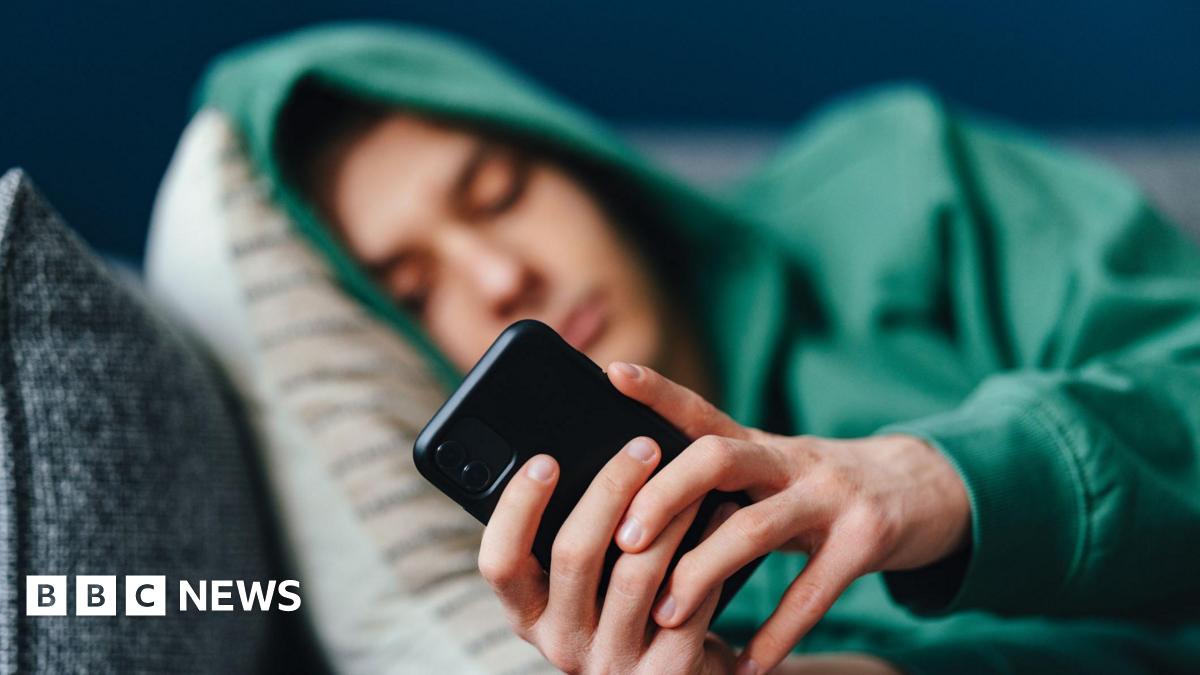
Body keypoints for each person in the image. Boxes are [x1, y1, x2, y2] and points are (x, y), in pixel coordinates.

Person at [198, 23, 1200, 674]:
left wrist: (931, 480)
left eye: (501, 191)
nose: (500, 280)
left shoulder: (904, 184)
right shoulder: (586, 608)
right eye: (416, 291)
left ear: (578, 159)